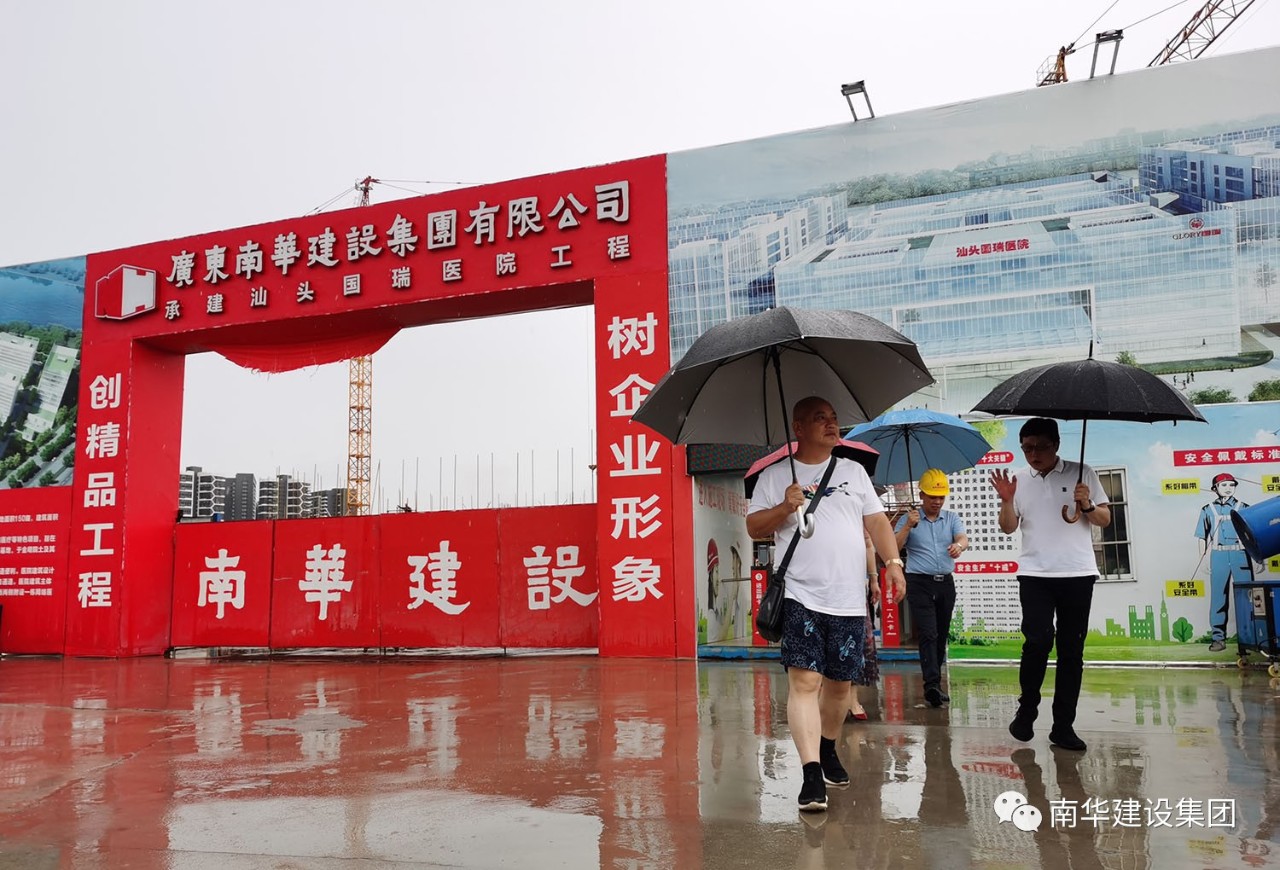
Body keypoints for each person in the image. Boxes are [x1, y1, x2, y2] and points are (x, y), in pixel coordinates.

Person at [747, 396, 907, 813]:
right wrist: (785, 506)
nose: (832, 425)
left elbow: (876, 522)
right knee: (804, 683)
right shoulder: (774, 476)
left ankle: (827, 746)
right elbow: (753, 526)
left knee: (839, 687)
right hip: (800, 595)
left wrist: (892, 564)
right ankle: (811, 773)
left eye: (834, 418)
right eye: (821, 419)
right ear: (798, 428)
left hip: (849, 599)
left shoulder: (853, 471)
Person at [989, 417, 1110, 753]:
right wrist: (1006, 500)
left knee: (1071, 652)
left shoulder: (1082, 472)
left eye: (1041, 446)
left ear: (1056, 444)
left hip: (1077, 574)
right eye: (1027, 448)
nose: (1034, 454)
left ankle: (1063, 726)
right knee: (1037, 641)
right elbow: (1008, 527)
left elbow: (1104, 519)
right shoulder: (1018, 479)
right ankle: (1027, 710)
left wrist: (1087, 503)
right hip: (1035, 575)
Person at [895, 468, 969, 708]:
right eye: (932, 497)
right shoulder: (909, 519)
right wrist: (908, 526)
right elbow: (894, 546)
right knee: (928, 633)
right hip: (919, 583)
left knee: (941, 633)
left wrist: (959, 546)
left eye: (941, 497)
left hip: (945, 583)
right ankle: (931, 685)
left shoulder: (951, 518)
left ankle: (935, 683)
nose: (937, 502)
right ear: (922, 495)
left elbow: (963, 538)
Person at [1194, 472, 1253, 652]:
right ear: (1215, 488)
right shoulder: (1207, 510)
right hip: (1218, 555)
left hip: (1240, 554)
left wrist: (1257, 558)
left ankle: (1248, 639)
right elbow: (1202, 537)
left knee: (1247, 597)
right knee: (1218, 597)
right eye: (1224, 485)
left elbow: (1253, 534)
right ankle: (1218, 639)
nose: (1228, 488)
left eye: (1231, 485)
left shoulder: (1244, 507)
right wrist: (1203, 558)